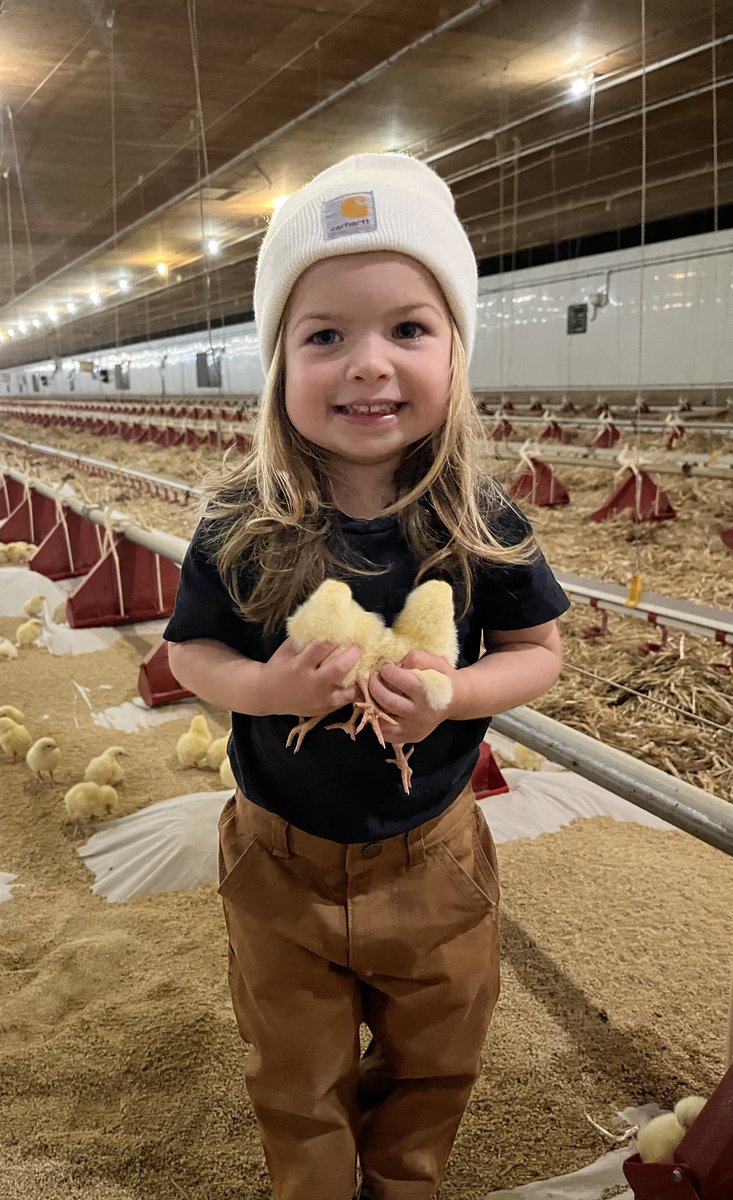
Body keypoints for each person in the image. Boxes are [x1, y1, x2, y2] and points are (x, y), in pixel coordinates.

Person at [164, 153, 570, 1200]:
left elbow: (537, 651)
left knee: (435, 1061)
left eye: (408, 329)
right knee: (294, 1075)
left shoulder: (479, 520)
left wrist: (453, 694)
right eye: (325, 336)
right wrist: (269, 691)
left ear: (456, 352)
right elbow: (190, 653)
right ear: (277, 364)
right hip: (278, 860)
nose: (368, 365)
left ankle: (401, 1187)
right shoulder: (239, 524)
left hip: (432, 858)